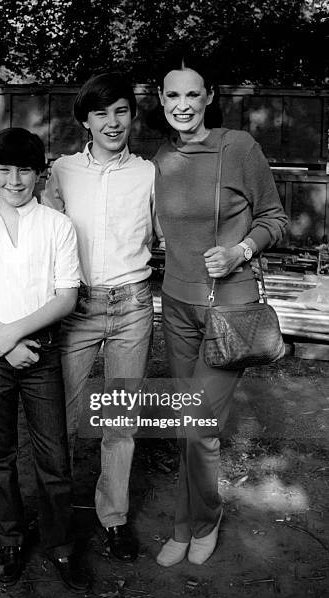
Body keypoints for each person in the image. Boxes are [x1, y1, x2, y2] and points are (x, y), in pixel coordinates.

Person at [152, 48, 288, 566]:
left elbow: (275, 218)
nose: (183, 104)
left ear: (209, 99)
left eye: (193, 94)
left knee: (199, 427)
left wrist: (240, 250)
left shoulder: (238, 148)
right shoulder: (163, 157)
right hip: (177, 306)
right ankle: (189, 521)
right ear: (161, 101)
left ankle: (198, 523)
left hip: (228, 309)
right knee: (183, 422)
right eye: (173, 95)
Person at [0, 128, 90, 591]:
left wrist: (16, 334)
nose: (15, 180)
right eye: (4, 170)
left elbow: (66, 297)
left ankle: (62, 546)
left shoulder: (57, 226)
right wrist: (3, 340)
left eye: (25, 169)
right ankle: (11, 539)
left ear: (39, 173)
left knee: (53, 456)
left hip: (42, 354)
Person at [42, 72, 164, 562]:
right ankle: (59, 516)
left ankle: (112, 517)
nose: (112, 122)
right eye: (100, 113)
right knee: (63, 417)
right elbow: (42, 236)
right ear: (84, 121)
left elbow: (165, 235)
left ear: (132, 117)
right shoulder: (62, 171)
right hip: (77, 307)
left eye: (120, 111)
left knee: (119, 421)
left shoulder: (150, 173)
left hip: (133, 306)